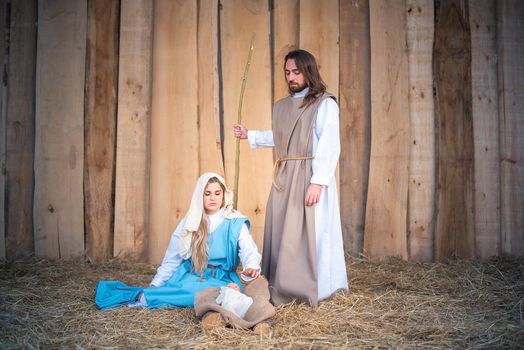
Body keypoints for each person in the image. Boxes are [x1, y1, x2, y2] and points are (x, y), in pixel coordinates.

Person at [233, 49, 348, 307]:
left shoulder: (324, 104)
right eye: (287, 72)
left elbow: (330, 145)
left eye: (296, 72)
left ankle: (321, 287)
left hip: (311, 175)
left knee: (312, 233)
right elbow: (281, 137)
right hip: (285, 176)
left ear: (309, 72)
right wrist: (249, 135)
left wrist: (318, 182)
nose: (291, 77)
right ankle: (283, 285)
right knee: (284, 232)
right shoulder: (283, 106)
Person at [95, 172, 262, 325]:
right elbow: (172, 257)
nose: (213, 198)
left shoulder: (235, 222)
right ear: (200, 196)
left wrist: (251, 266)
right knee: (202, 293)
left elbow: (248, 249)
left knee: (230, 293)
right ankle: (147, 296)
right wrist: (156, 285)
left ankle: (218, 299)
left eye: (217, 193)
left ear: (223, 195)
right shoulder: (190, 221)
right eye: (207, 194)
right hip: (193, 275)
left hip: (222, 277)